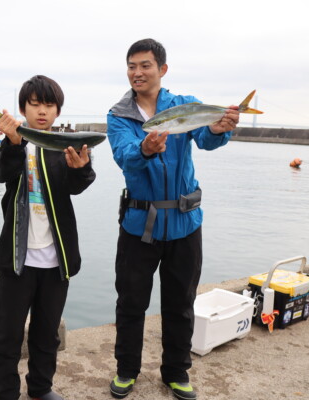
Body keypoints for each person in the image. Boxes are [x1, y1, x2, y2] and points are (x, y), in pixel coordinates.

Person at [106, 39, 240, 400]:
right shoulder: (118, 115)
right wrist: (144, 148)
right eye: (132, 66)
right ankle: (126, 370)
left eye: (145, 65)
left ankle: (177, 372)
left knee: (181, 302)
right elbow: (123, 156)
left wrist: (218, 127)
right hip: (139, 224)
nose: (138, 72)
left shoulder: (184, 106)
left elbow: (206, 139)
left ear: (162, 69)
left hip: (185, 223)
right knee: (131, 302)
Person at [0, 75, 96, 400]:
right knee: (7, 336)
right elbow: (1, 175)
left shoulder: (65, 147)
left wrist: (81, 168)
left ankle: (40, 388)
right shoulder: (13, 143)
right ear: (23, 108)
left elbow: (78, 185)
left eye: (48, 105)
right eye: (34, 104)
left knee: (46, 333)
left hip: (56, 260)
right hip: (16, 259)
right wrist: (11, 144)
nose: (41, 110)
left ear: (57, 111)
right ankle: (6, 392)